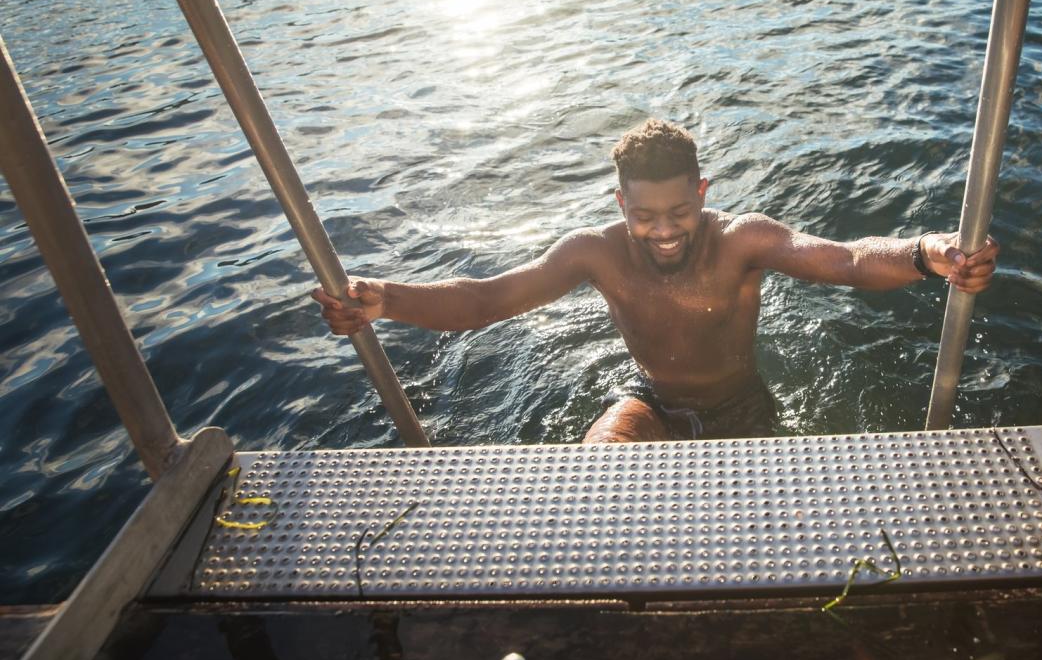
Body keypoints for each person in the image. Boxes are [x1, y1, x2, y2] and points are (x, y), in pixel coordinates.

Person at [313, 119, 999, 443]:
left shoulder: (742, 242)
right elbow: (489, 298)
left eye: (680, 211)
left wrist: (922, 252)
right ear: (620, 205)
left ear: (702, 192)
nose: (664, 230)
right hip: (654, 404)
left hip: (744, 411)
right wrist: (387, 300)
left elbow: (845, 260)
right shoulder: (595, 252)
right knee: (601, 459)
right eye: (645, 216)